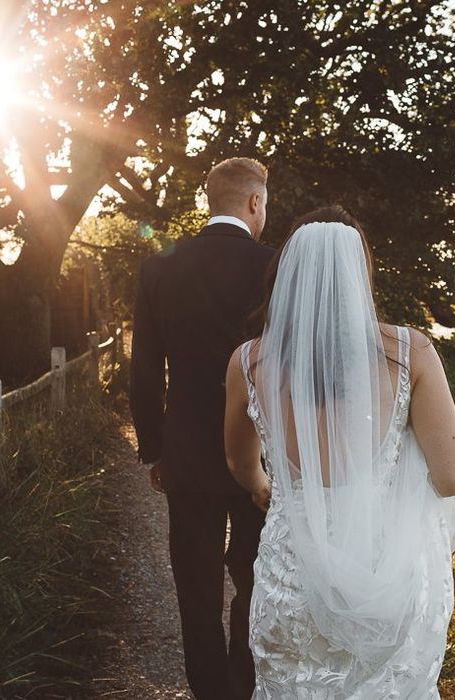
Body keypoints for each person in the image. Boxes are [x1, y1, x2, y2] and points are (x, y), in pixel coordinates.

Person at [224, 206, 455, 699]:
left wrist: (263, 488)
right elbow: (453, 479)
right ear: (361, 275)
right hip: (381, 576)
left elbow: (238, 460)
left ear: (287, 276)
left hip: (289, 578)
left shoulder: (249, 361)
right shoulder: (409, 353)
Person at [129, 157, 275, 699]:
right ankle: (245, 683)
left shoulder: (160, 267)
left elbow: (145, 368)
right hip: (261, 455)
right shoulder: (272, 263)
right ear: (255, 202)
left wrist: (154, 449)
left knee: (196, 585)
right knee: (256, 579)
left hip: (186, 450)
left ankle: (211, 693)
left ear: (209, 200)